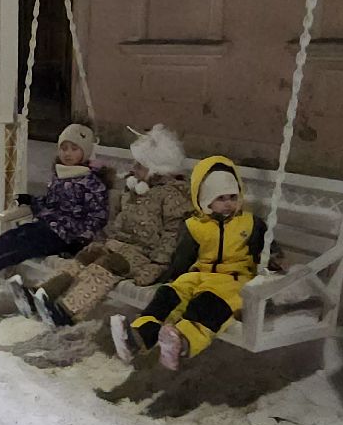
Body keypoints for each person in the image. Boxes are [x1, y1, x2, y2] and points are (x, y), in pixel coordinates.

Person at [110, 156, 276, 371]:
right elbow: (183, 258)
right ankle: (138, 336)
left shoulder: (250, 223)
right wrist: (170, 277)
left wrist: (274, 262)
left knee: (208, 301)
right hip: (201, 274)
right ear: (206, 200)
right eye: (221, 198)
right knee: (170, 293)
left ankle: (182, 341)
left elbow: (266, 248)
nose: (228, 203)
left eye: (233, 197)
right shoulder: (196, 226)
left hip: (234, 279)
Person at [21, 124, 194, 327]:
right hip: (118, 244)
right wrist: (105, 240)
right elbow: (118, 221)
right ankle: (44, 293)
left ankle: (67, 311)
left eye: (139, 165)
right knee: (88, 254)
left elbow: (172, 234)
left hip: (143, 255)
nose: (133, 169)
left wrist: (159, 265)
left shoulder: (171, 195)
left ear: (156, 170)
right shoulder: (136, 190)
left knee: (106, 265)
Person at [0, 123, 108, 289]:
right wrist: (31, 201)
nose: (68, 153)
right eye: (64, 148)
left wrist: (77, 236)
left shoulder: (91, 182)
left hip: (68, 239)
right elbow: (51, 204)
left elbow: (98, 218)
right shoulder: (61, 175)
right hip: (50, 228)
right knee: (14, 236)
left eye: (74, 149)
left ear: (85, 152)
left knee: (21, 244)